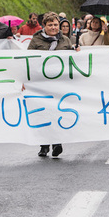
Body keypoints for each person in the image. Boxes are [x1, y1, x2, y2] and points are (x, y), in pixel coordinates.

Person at [27, 12, 73, 157]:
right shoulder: (36, 41)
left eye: (56, 25)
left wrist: (77, 53)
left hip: (60, 83)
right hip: (41, 83)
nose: (53, 28)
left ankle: (57, 143)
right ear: (44, 26)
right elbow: (27, 61)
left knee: (57, 112)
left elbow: (72, 60)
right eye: (50, 25)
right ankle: (44, 145)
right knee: (43, 112)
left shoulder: (65, 41)